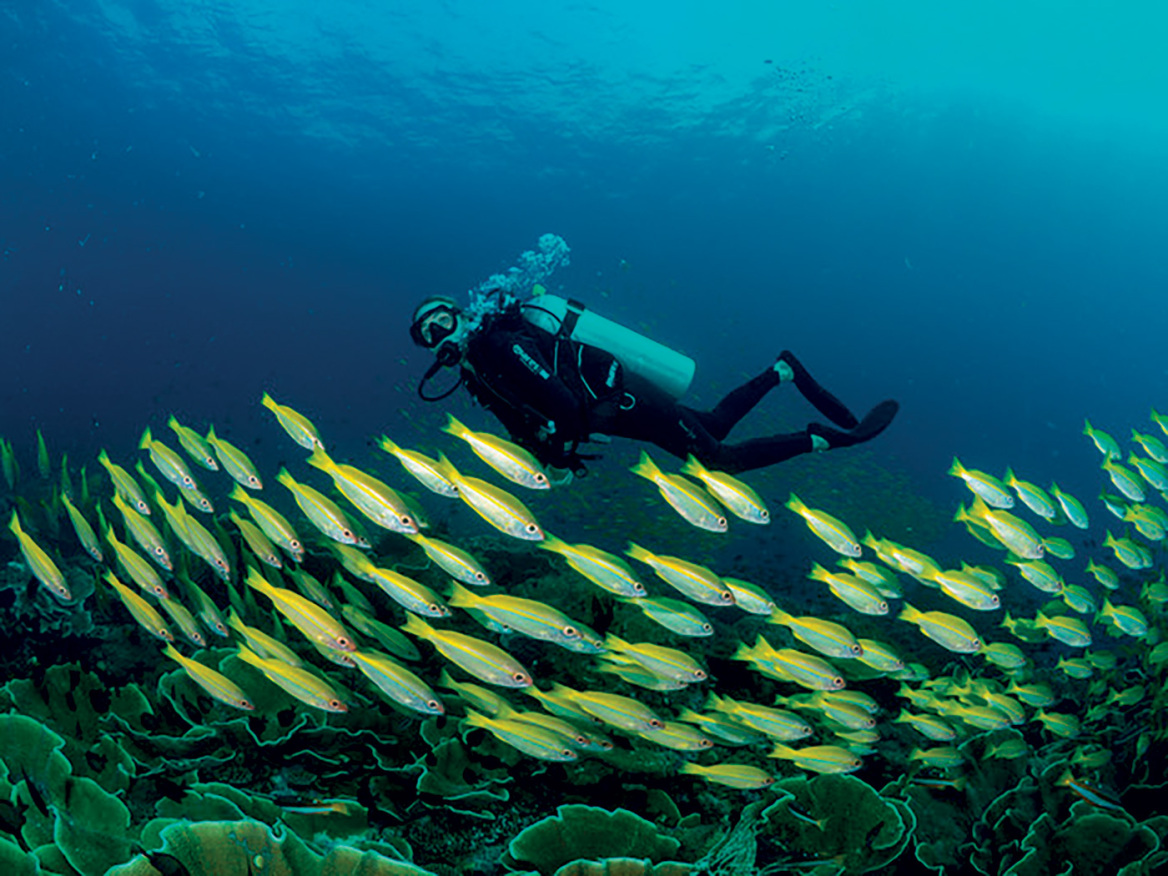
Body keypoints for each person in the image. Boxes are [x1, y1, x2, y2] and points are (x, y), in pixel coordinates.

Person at [409, 291, 898, 479]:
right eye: (428, 334)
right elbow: (524, 416)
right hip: (620, 409)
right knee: (712, 424)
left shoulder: (499, 345)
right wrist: (542, 449)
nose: (440, 334)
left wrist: (558, 448)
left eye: (443, 320)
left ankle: (824, 439)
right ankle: (781, 371)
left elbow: (558, 401)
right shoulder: (478, 372)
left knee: (718, 461)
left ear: (461, 313)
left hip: (620, 403)